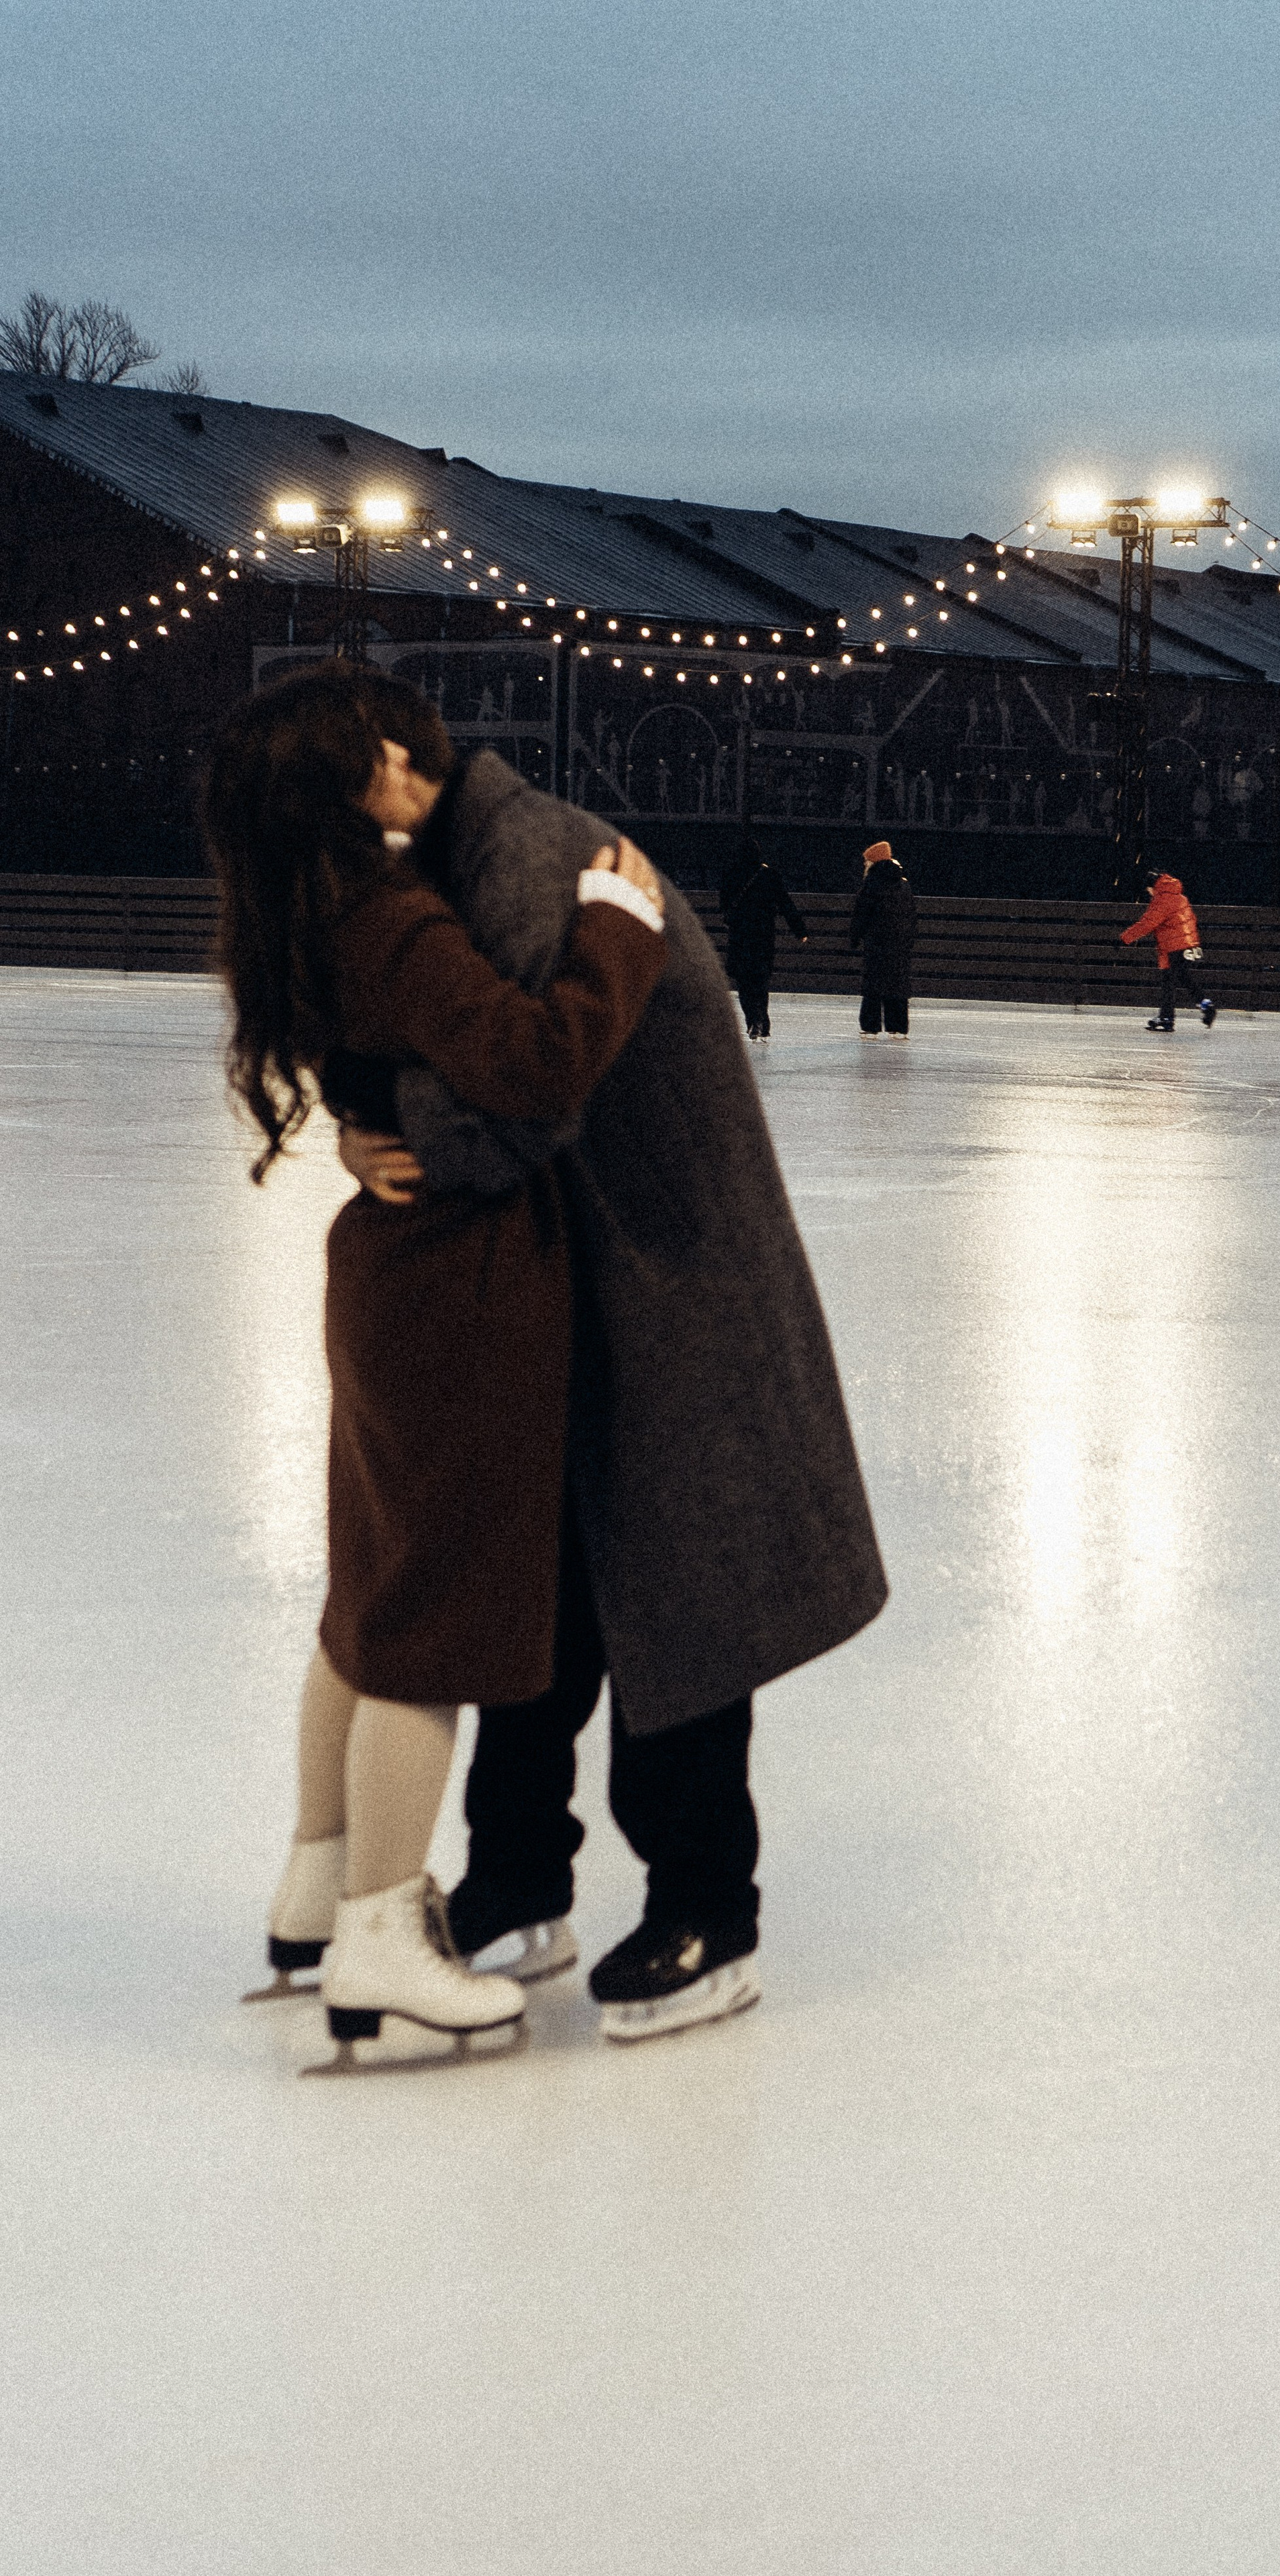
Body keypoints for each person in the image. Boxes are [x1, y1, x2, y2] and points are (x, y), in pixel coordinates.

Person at [329, 672, 889, 2042]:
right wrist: (366, 1122)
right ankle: (520, 1878)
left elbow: (520, 1096)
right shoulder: (468, 856)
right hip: (580, 1276)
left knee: (676, 1604)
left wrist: (384, 1126)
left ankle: (712, 1907)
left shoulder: (529, 865)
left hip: (671, 1274)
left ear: (402, 766)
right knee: (550, 1593)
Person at [205, 661, 666, 2068]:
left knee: (367, 1594)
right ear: (364, 782)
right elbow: (535, 1060)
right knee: (430, 1627)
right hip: (460, 1289)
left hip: (386, 1275)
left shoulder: (298, 916)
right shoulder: (394, 918)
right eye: (401, 755)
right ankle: (381, 1936)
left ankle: (315, 1875)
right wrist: (618, 928)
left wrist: (356, 1128)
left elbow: (381, 1067)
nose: (427, 769)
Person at [718, 837, 808, 1038]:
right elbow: (786, 904)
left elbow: (723, 904)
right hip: (763, 937)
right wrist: (800, 930)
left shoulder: (731, 875)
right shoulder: (769, 876)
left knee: (744, 983)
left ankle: (753, 1021)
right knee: (760, 982)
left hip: (740, 937)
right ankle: (762, 1022)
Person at [1119, 867, 1218, 1032]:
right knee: (1180, 979)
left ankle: (1169, 1018)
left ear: (1153, 886)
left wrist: (1125, 938)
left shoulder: (1163, 899)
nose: (1149, 893)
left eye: (1149, 889)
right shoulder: (1180, 897)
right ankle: (1202, 1007)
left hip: (1175, 946)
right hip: (1183, 944)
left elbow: (1148, 923)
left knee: (1171, 982)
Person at [849, 839, 917, 1038]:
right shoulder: (903, 885)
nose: (864, 865)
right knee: (898, 984)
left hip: (876, 943)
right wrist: (909, 938)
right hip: (899, 944)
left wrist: (855, 937)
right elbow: (911, 915)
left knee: (873, 985)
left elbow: (861, 914)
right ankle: (898, 1027)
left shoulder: (871, 884)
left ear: (873, 862)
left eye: (866, 862)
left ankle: (871, 1026)